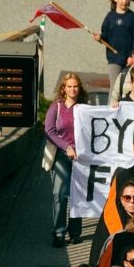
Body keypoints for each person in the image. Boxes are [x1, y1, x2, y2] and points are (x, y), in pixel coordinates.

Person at [44, 71, 88, 247]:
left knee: (78, 196)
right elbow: (49, 130)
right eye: (69, 86)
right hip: (62, 155)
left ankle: (75, 231)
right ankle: (59, 231)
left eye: (75, 86)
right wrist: (66, 146)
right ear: (63, 88)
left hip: (81, 156)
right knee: (60, 194)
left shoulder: (84, 107)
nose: (72, 89)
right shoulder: (57, 106)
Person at [100, 0, 134, 86]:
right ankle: (112, 102)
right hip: (114, 58)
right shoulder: (110, 17)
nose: (125, 1)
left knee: (129, 86)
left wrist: (133, 56)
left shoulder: (133, 17)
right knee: (115, 86)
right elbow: (105, 36)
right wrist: (99, 38)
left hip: (129, 59)